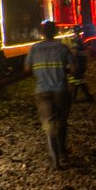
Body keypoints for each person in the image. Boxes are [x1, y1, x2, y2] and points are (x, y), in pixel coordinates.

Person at [24, 20, 75, 169]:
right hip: (60, 90)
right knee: (62, 121)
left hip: (42, 91)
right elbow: (74, 69)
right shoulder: (63, 48)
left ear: (42, 33)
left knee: (49, 124)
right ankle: (63, 152)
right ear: (56, 32)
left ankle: (54, 160)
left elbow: (27, 68)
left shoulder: (34, 48)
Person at [67, 33, 96, 102]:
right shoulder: (82, 43)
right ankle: (88, 96)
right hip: (81, 65)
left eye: (73, 34)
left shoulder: (75, 43)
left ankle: (75, 98)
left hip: (77, 65)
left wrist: (70, 64)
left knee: (76, 81)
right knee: (78, 81)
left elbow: (74, 54)